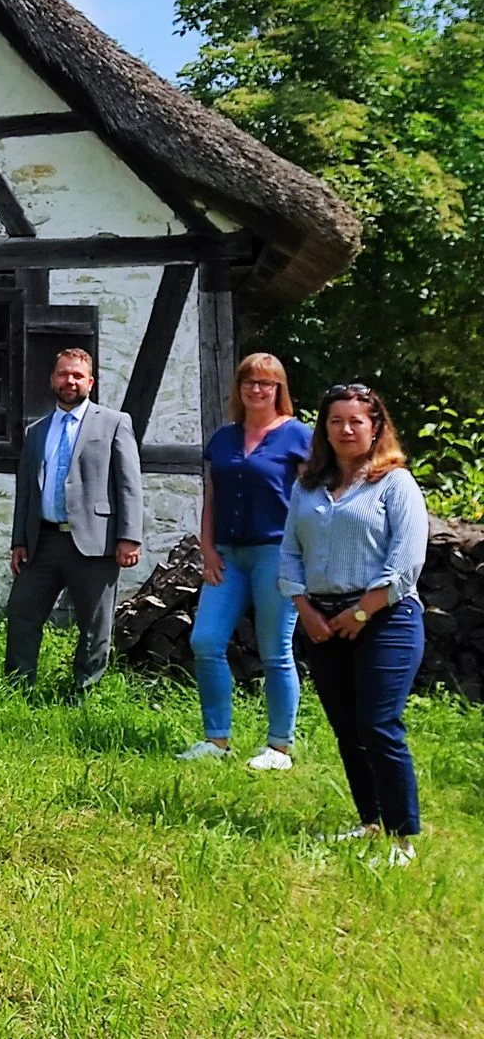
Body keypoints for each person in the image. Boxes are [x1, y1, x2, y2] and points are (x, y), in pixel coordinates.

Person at [279, 383, 428, 866]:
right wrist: (306, 611)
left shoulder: (395, 483)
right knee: (347, 728)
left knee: (378, 724)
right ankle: (370, 823)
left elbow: (406, 560)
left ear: (375, 427)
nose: (345, 429)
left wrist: (362, 612)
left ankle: (402, 839)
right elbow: (289, 554)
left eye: (356, 421)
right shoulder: (306, 487)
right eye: (335, 420)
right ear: (324, 428)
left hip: (386, 618)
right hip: (321, 619)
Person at [177, 353, 308, 768]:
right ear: (239, 388)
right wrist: (208, 548)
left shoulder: (298, 436)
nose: (257, 389)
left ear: (279, 390)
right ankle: (217, 741)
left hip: (276, 555)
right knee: (206, 641)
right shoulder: (224, 439)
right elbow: (212, 497)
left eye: (266, 383)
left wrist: (302, 556)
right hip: (227, 557)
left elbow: (311, 500)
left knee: (274, 650)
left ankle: (279, 747)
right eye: (250, 381)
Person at [6, 348, 143, 695]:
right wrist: (19, 541)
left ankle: (84, 693)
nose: (70, 381)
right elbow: (26, 489)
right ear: (52, 379)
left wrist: (130, 536)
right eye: (64, 374)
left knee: (95, 624)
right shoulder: (36, 430)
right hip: (44, 541)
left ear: (90, 382)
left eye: (77, 375)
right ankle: (18, 689)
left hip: (95, 542)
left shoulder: (113, 422)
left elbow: (129, 483)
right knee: (22, 613)